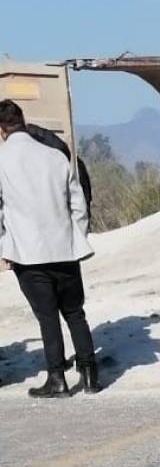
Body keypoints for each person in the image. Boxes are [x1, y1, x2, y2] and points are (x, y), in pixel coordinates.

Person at [0, 100, 100, 397]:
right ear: (22, 120)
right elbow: (78, 203)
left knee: (47, 317)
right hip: (65, 249)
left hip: (28, 253)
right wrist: (75, 236)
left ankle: (57, 378)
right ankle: (90, 375)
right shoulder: (55, 157)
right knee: (75, 312)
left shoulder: (2, 159)